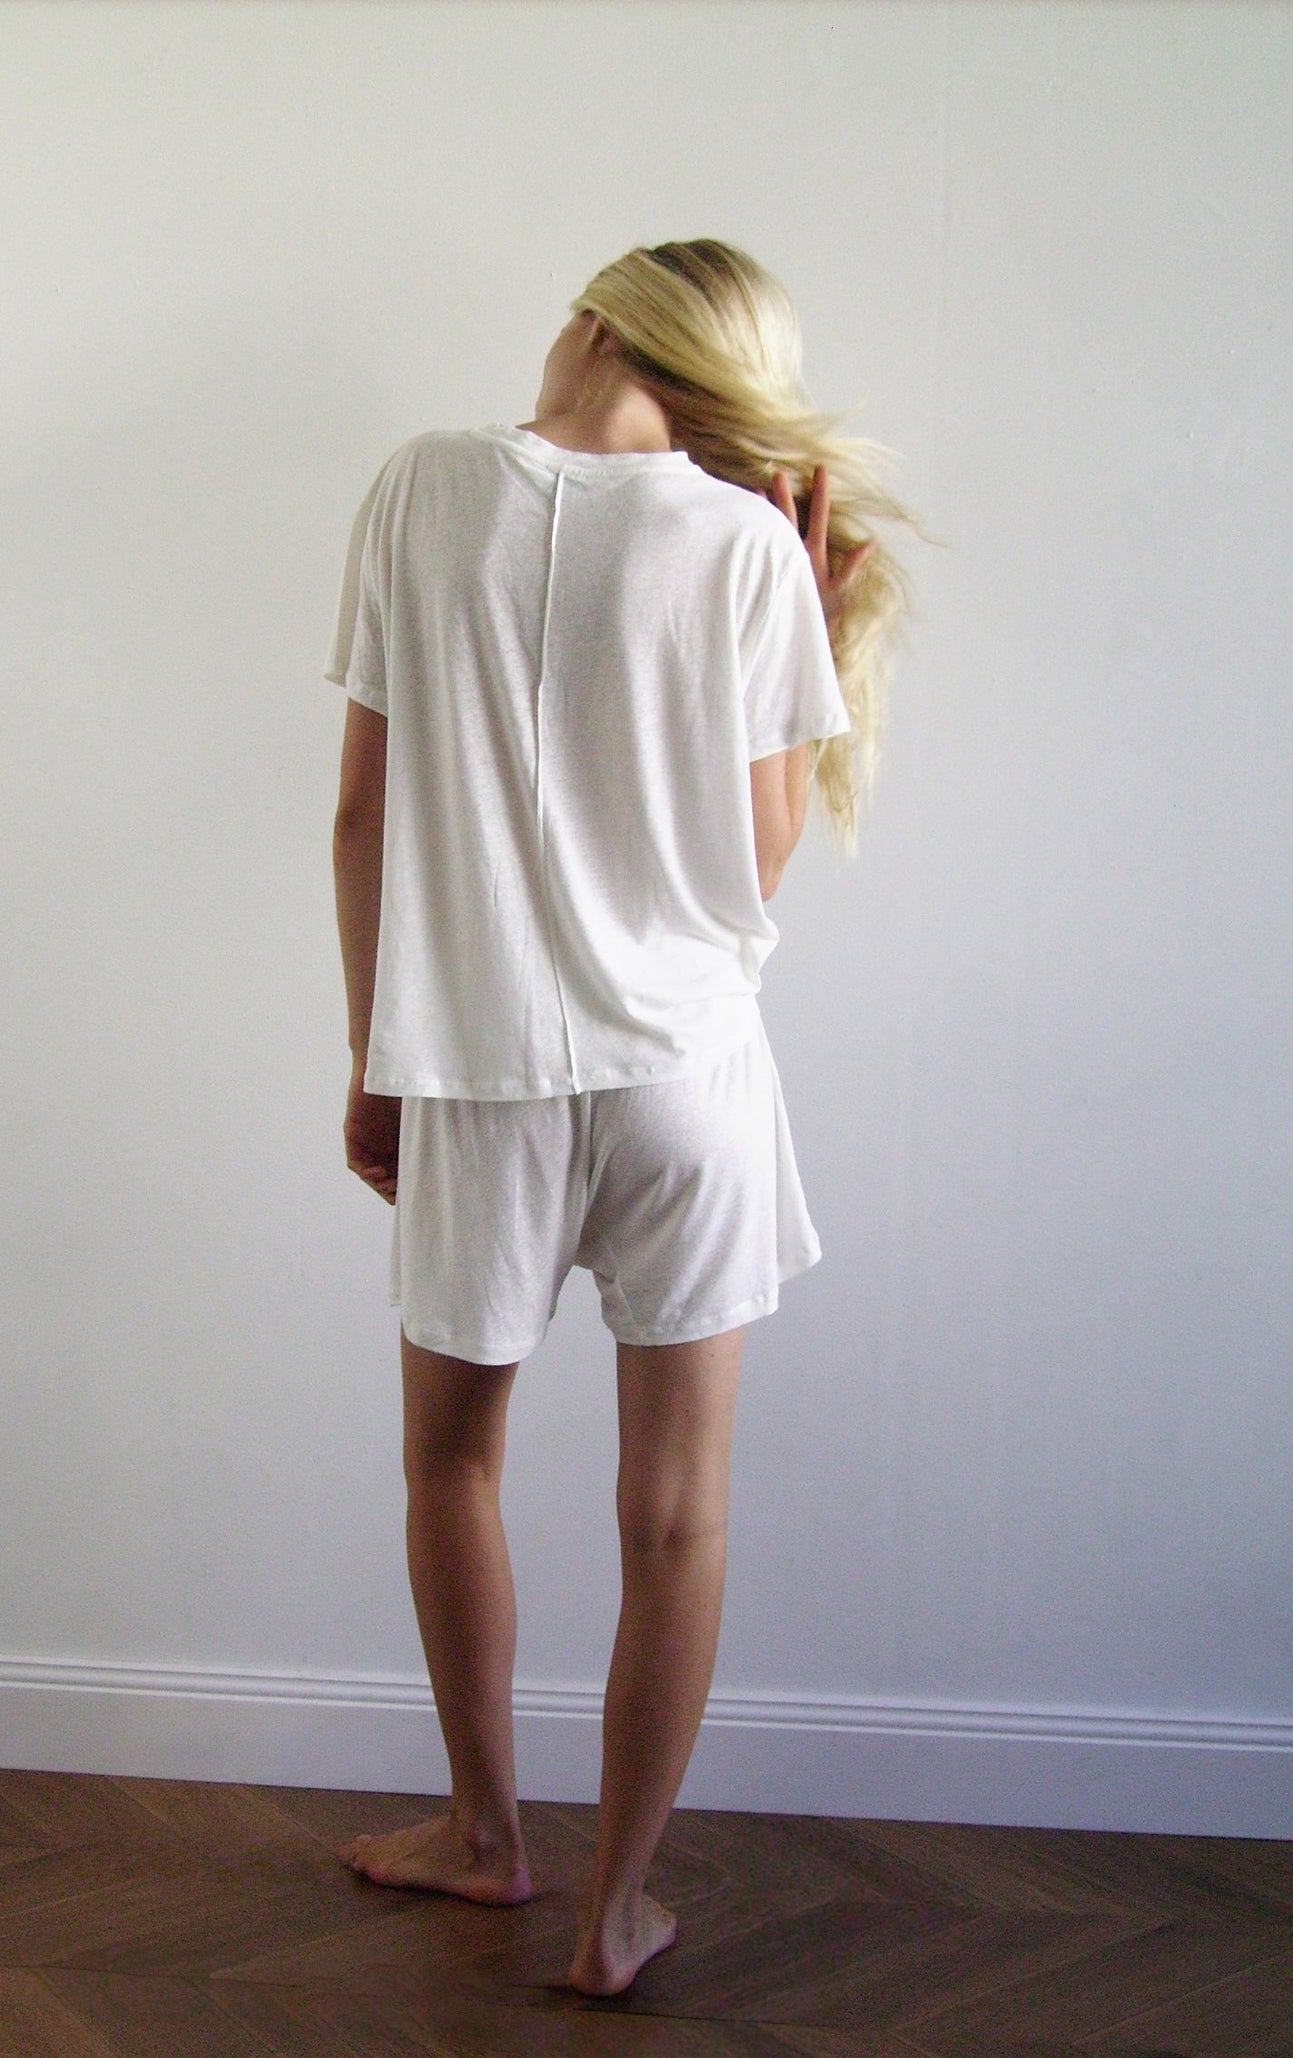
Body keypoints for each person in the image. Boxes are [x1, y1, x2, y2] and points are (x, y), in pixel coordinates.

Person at [326, 240, 911, 1996]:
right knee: (675, 1513)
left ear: (596, 319)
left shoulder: (420, 486)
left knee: (451, 1461)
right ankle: (617, 1906)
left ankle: (485, 1837)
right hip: (687, 1080)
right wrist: (795, 597)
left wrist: (374, 1055)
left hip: (478, 1067)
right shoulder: (742, 548)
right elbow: (753, 862)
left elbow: (363, 815)